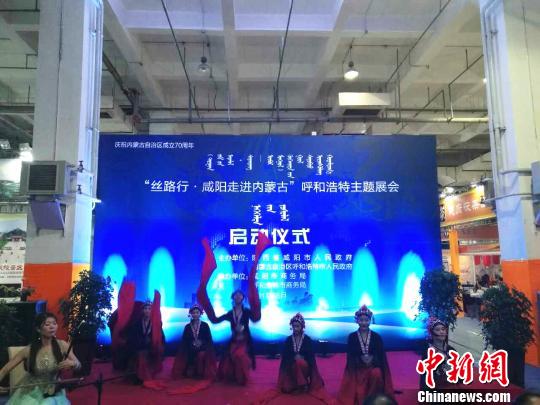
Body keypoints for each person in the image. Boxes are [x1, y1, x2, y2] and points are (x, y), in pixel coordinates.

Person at [197, 233, 271, 385]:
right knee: (230, 358)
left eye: (240, 295)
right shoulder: (230, 314)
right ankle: (234, 377)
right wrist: (206, 304)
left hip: (244, 342)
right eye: (236, 295)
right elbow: (216, 320)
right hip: (233, 341)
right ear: (233, 298)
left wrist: (257, 305)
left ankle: (242, 378)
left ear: (243, 298)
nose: (238, 297)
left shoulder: (247, 312)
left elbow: (256, 319)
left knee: (240, 357)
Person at [0, 312, 81, 404]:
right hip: (31, 391)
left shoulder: (63, 345)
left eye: (54, 323)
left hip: (53, 390)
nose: (52, 327)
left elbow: (79, 366)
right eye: (47, 324)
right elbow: (4, 370)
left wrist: (74, 364)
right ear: (38, 329)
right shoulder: (29, 350)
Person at [338, 305, 394, 405]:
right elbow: (350, 356)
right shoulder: (352, 337)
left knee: (377, 373)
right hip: (358, 368)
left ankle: (373, 397)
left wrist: (372, 360)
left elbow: (381, 356)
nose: (364, 323)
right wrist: (360, 360)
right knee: (359, 394)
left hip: (373, 366)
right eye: (361, 320)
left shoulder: (377, 337)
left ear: (370, 321)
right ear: (357, 321)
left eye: (366, 320)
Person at [278, 313, 325, 393]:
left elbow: (311, 357)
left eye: (297, 326)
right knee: (286, 389)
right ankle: (300, 384)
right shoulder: (288, 340)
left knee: (299, 362)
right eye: (294, 326)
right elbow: (285, 357)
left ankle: (302, 385)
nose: (295, 329)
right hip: (292, 366)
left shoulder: (307, 339)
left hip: (304, 366)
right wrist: (294, 358)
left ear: (302, 327)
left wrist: (302, 357)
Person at [125, 291, 165, 385]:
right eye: (145, 308)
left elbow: (161, 336)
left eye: (149, 309)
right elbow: (133, 336)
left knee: (146, 353)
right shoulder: (137, 322)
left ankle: (145, 376)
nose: (147, 310)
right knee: (141, 354)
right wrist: (141, 342)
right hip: (139, 346)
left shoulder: (156, 323)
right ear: (142, 310)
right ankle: (140, 377)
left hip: (151, 347)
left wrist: (155, 343)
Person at [172, 303, 216, 380]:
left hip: (203, 348)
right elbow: (184, 340)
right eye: (193, 313)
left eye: (197, 312)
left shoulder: (205, 325)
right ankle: (191, 368)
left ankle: (200, 371)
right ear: (191, 314)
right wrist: (191, 343)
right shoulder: (187, 326)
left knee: (201, 355)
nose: (195, 314)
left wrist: (201, 343)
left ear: (200, 314)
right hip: (190, 348)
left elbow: (209, 339)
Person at [419, 317, 456, 390]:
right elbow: (425, 375)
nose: (441, 332)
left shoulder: (451, 350)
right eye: (437, 330)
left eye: (443, 329)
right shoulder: (428, 351)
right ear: (431, 333)